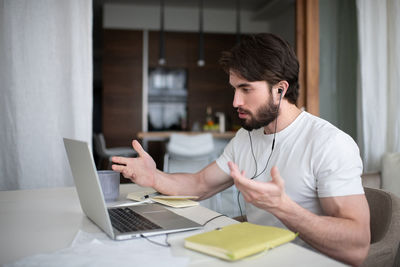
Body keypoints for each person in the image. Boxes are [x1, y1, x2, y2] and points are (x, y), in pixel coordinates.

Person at [112, 33, 370, 266]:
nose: (236, 101)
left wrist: (283, 207)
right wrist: (153, 175)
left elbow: (356, 248)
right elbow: (200, 184)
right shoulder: (246, 138)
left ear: (280, 89)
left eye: (246, 89)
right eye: (235, 89)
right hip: (251, 257)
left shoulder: (330, 143)